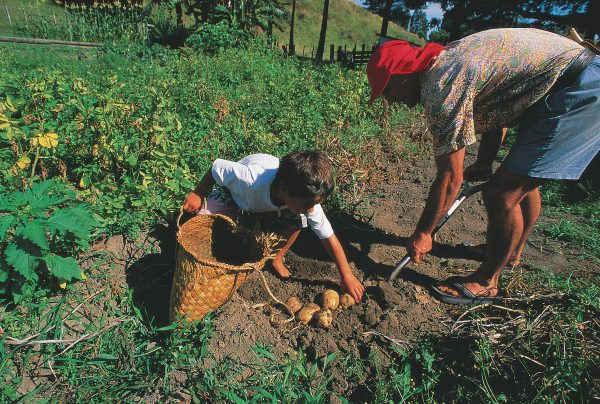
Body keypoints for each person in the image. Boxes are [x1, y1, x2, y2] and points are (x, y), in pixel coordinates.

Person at [367, 28, 600, 304]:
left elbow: (450, 179)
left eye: (388, 89)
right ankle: (511, 253)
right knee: (521, 175)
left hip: (578, 88)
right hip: (563, 82)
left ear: (404, 74)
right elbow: (497, 108)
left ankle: (487, 282)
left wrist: (423, 233)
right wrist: (485, 162)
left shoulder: (442, 86)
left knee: (502, 193)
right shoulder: (449, 59)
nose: (390, 100)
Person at [182, 151, 365, 301]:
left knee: (300, 220)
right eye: (306, 205)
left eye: (313, 205)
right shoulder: (249, 180)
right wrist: (197, 193)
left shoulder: (304, 199)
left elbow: (328, 236)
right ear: (284, 190)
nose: (311, 209)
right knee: (204, 224)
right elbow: (217, 167)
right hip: (235, 194)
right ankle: (243, 219)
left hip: (271, 204)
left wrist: (346, 275)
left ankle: (276, 258)